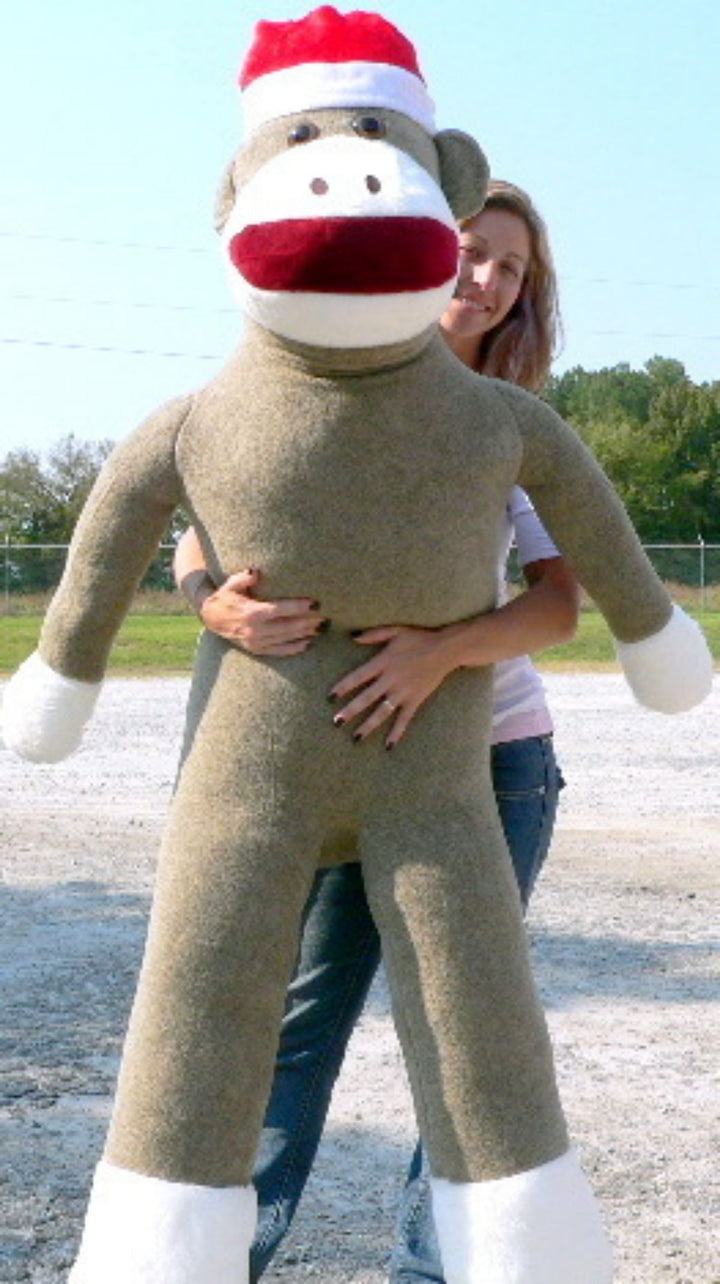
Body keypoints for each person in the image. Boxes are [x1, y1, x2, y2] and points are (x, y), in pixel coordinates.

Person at [173, 179, 579, 1283]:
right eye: (469, 250)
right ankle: (224, 1260)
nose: (486, 280)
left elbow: (558, 602)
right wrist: (215, 599)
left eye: (510, 267)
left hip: (489, 772)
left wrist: (440, 651)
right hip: (339, 761)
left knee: (457, 1047)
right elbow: (198, 529)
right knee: (292, 1028)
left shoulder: (510, 425)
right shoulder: (307, 382)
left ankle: (426, 1271)